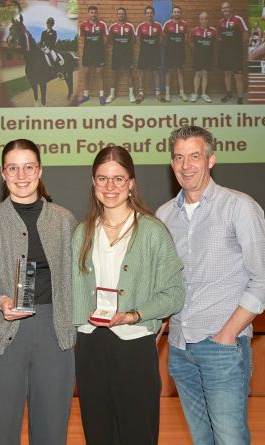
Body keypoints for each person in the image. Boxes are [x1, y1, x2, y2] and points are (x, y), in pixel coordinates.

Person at [156, 125, 265, 445]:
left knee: (230, 440)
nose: (186, 165)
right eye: (178, 157)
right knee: (201, 440)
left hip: (222, 347)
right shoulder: (164, 216)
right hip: (179, 350)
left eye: (194, 156)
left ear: (211, 159)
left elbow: (263, 281)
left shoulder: (239, 207)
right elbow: (165, 288)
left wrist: (226, 335)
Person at [0, 139, 77, 445]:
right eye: (13, 168)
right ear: (3, 173)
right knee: (0, 434)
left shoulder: (64, 221)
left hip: (55, 334)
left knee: (52, 434)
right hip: (1, 335)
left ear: (40, 170)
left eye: (28, 167)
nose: (21, 175)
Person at [72, 146, 184, 445]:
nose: (110, 186)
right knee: (98, 434)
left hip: (134, 344)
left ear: (131, 183)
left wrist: (135, 315)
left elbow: (174, 293)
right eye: (103, 178)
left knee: (138, 434)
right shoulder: (81, 233)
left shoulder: (152, 232)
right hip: (90, 345)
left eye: (118, 178)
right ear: (93, 183)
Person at [218, 1, 248, 104]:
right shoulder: (221, 22)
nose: (225, 9)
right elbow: (220, 37)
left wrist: (240, 47)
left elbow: (245, 33)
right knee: (227, 73)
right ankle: (229, 95)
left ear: (231, 8)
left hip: (236, 53)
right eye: (223, 8)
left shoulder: (238, 19)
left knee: (238, 75)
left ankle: (240, 97)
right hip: (225, 52)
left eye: (227, 7)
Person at [78, 5, 108, 105]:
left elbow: (105, 39)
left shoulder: (102, 25)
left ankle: (102, 96)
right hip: (87, 53)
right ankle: (85, 95)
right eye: (91, 12)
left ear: (97, 13)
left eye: (95, 12)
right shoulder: (83, 25)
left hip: (99, 54)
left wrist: (98, 48)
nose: (93, 14)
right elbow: (82, 39)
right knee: (86, 73)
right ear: (88, 13)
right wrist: (89, 47)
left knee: (99, 73)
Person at [106, 7, 136, 104]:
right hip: (116, 55)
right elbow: (110, 40)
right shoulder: (112, 27)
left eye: (123, 13)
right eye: (119, 13)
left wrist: (125, 47)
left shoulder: (130, 26)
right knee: (114, 74)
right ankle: (112, 94)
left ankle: (131, 94)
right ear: (117, 15)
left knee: (129, 74)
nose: (121, 15)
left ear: (125, 15)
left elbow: (133, 40)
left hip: (127, 55)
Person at [136, 5, 163, 104]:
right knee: (142, 73)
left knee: (156, 72)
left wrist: (153, 46)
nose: (149, 14)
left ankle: (158, 93)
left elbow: (161, 38)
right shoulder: (140, 26)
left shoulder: (158, 26)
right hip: (144, 52)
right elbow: (138, 39)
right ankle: (141, 94)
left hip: (155, 52)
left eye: (151, 13)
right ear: (145, 14)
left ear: (153, 14)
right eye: (147, 13)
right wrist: (146, 46)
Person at [189, 12, 218, 103]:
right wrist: (197, 52)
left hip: (208, 56)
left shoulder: (214, 31)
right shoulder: (194, 30)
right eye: (202, 19)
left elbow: (215, 43)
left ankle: (204, 94)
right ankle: (195, 93)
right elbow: (191, 43)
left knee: (205, 73)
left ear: (208, 20)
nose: (204, 21)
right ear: (199, 20)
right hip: (198, 56)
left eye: (206, 19)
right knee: (198, 74)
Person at [162, 5, 189, 102]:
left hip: (180, 52)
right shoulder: (167, 24)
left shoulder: (185, 24)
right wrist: (170, 46)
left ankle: (182, 93)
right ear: (172, 13)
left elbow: (185, 38)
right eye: (175, 12)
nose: (176, 13)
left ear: (180, 13)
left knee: (180, 72)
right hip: (169, 52)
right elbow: (163, 38)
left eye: (178, 12)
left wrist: (178, 46)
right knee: (168, 72)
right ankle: (167, 93)